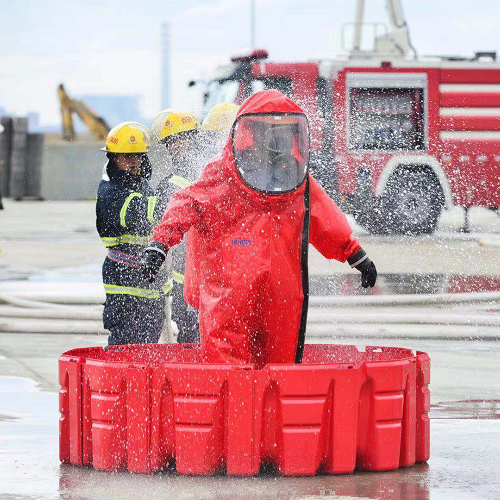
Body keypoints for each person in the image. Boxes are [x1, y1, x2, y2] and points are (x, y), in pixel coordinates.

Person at [142, 90, 377, 368]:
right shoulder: (225, 174)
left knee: (277, 367)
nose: (273, 140)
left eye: (280, 132)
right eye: (266, 131)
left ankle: (267, 410)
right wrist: (160, 243)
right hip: (230, 293)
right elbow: (186, 203)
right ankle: (233, 410)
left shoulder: (296, 180)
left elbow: (323, 219)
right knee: (228, 369)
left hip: (278, 293)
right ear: (247, 132)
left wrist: (355, 254)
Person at [96, 122, 170, 346]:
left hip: (147, 280)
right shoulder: (110, 193)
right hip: (125, 282)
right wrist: (177, 196)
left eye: (138, 157)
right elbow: (144, 211)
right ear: (113, 159)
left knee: (148, 346)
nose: (133, 163)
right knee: (125, 344)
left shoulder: (140, 184)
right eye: (126, 158)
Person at [150, 109, 201, 343]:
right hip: (185, 279)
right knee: (190, 337)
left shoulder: (208, 173)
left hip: (207, 275)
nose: (177, 146)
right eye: (172, 142)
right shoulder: (169, 184)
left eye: (182, 138)